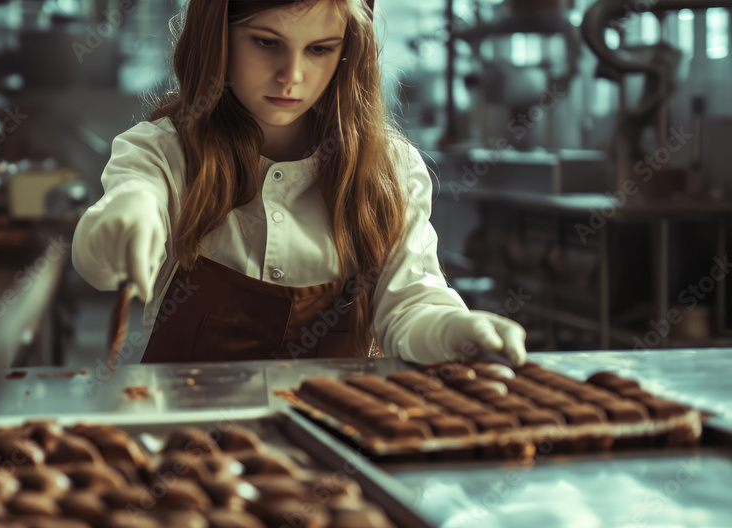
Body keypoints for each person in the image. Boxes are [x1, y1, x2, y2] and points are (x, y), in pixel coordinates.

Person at [72, 0, 526, 366]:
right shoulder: (165, 153)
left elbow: (407, 306)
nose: (292, 75)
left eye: (320, 49)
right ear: (219, 35)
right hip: (186, 448)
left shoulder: (389, 169)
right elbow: (100, 264)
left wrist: (453, 330)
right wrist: (124, 213)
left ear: (349, 50)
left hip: (341, 451)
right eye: (267, 42)